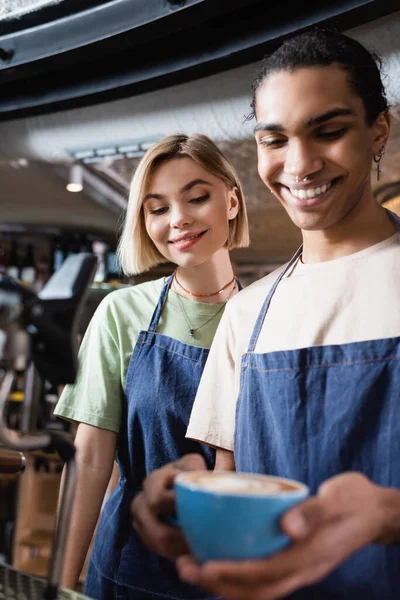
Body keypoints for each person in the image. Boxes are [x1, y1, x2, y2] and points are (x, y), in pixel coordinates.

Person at [132, 29, 400, 599]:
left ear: (379, 130)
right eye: (274, 139)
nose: (299, 164)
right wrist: (189, 503)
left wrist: (385, 513)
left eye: (328, 132)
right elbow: (230, 482)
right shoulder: (248, 312)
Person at [54, 133, 249, 599]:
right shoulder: (122, 313)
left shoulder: (267, 313)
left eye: (197, 197)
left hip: (234, 571)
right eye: (157, 208)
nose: (178, 218)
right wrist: (59, 587)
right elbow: (91, 459)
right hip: (129, 567)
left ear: (233, 201)